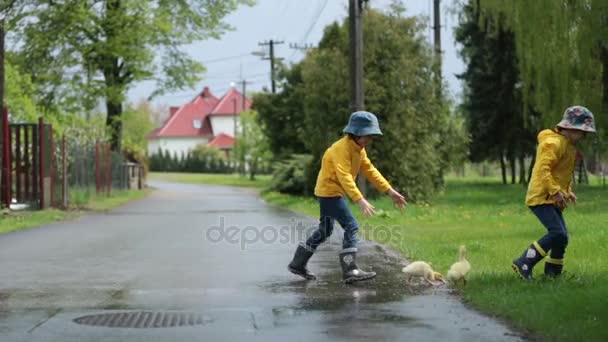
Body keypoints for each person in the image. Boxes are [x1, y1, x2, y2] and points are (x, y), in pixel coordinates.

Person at [287, 111, 407, 283]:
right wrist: (360, 199)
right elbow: (344, 176)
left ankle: (297, 263)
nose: (369, 140)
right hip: (330, 192)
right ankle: (350, 270)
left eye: (371, 136)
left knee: (325, 230)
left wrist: (390, 191)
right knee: (351, 226)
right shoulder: (340, 149)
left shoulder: (359, 149)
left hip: (332, 192)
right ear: (356, 132)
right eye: (367, 135)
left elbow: (370, 171)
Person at [512, 105, 596, 280]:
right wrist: (555, 191)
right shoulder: (553, 143)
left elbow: (562, 172)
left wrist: (567, 191)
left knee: (562, 238)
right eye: (582, 131)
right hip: (541, 197)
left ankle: (553, 275)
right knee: (557, 233)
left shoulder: (568, 145)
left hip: (553, 197)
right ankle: (523, 263)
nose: (584, 136)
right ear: (570, 128)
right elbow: (543, 170)